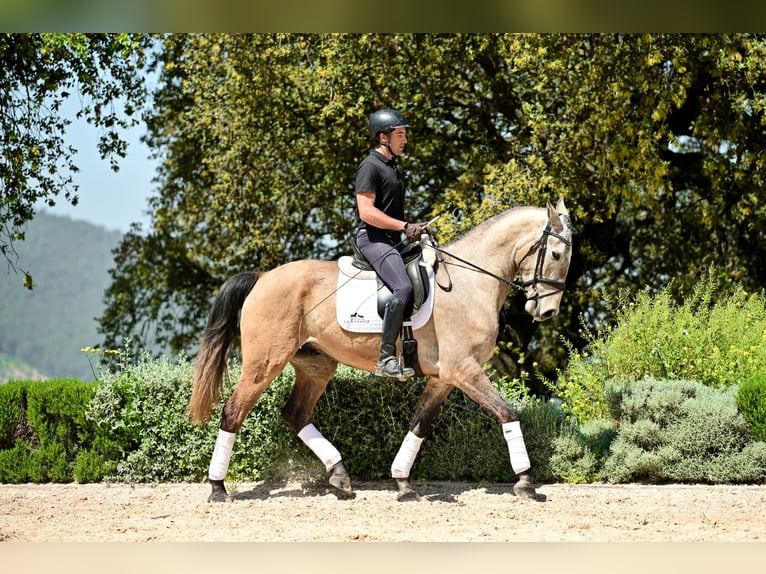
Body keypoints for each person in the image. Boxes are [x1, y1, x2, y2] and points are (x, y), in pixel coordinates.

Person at [355, 109, 426, 380]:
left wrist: (409, 229)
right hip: (373, 239)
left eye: (405, 134)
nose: (405, 140)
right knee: (403, 287)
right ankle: (386, 358)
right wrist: (404, 226)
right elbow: (367, 212)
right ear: (383, 137)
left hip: (392, 240)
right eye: (400, 134)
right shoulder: (370, 166)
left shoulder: (391, 166)